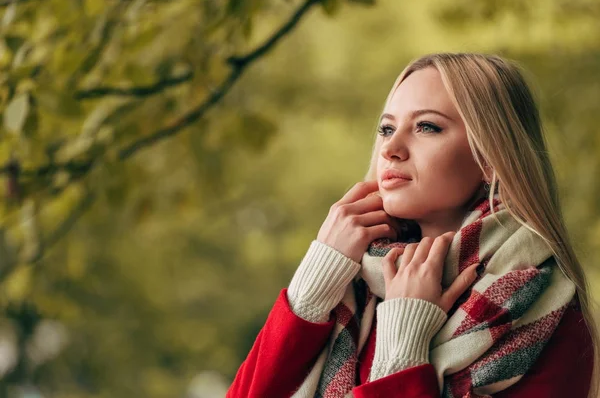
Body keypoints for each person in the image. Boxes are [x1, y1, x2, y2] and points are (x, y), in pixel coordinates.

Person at [226, 53, 597, 397]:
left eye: (427, 127)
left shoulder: (545, 310)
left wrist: (402, 340)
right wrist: (316, 279)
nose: (391, 149)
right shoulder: (354, 281)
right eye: (387, 129)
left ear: (490, 159)